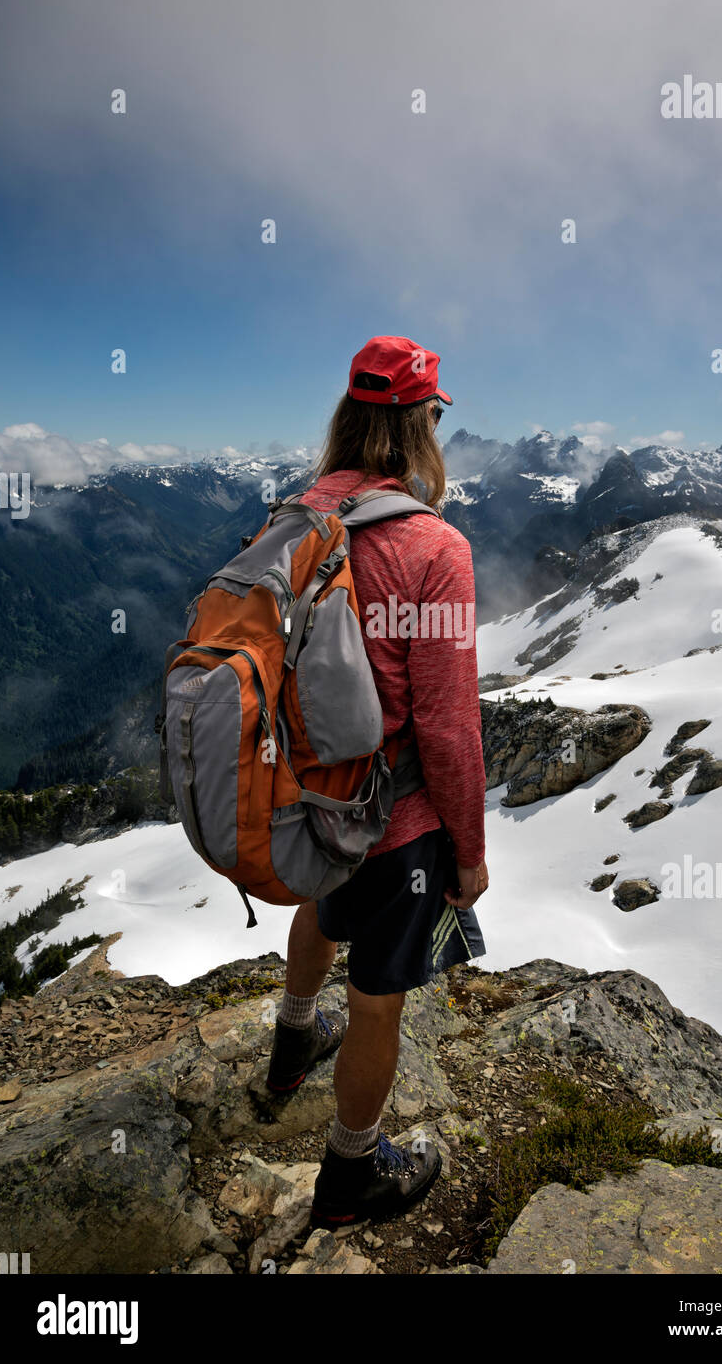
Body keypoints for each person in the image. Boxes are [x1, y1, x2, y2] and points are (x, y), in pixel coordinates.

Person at [265, 335, 489, 1230]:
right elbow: (446, 724)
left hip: (306, 796)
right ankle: (352, 1174)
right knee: (378, 998)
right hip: (396, 821)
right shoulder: (434, 547)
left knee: (321, 907)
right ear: (419, 423)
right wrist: (467, 856)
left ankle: (289, 1041)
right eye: (437, 415)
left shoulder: (290, 517)